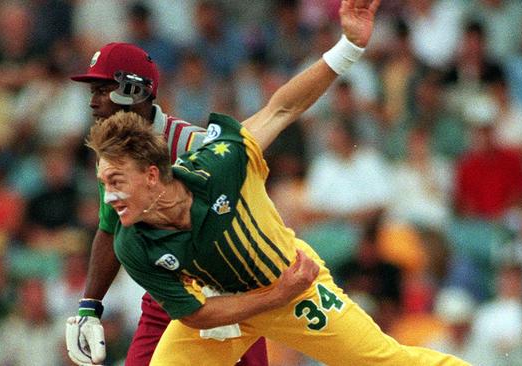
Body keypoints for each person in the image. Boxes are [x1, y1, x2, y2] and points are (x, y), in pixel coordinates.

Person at [83, 1, 470, 364]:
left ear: (153, 174)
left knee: (379, 359)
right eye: (105, 181)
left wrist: (348, 46)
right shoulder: (130, 243)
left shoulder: (218, 160)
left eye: (116, 181)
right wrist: (88, 307)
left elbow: (282, 107)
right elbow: (199, 314)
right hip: (225, 305)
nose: (109, 194)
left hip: (291, 282)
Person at [65, 42, 267, 365]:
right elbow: (108, 228)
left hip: (230, 292)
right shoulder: (111, 155)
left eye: (102, 90)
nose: (93, 103)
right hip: (167, 294)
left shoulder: (195, 146)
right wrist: (89, 306)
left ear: (134, 90)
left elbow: (246, 217)